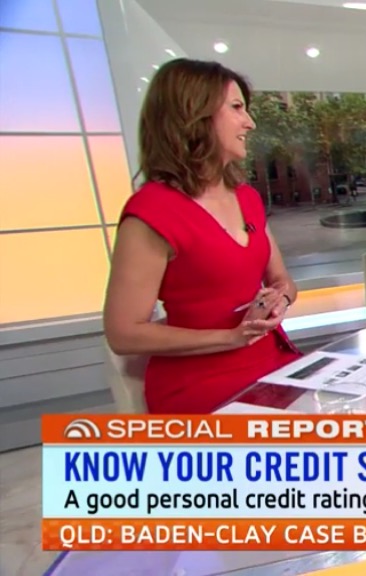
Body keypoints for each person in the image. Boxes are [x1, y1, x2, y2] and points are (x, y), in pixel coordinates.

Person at [103, 59, 302, 414]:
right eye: (237, 107)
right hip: (202, 387)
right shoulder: (152, 211)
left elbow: (283, 280)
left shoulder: (247, 198)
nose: (250, 122)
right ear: (194, 115)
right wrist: (230, 338)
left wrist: (280, 300)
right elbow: (123, 333)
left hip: (274, 364)